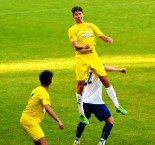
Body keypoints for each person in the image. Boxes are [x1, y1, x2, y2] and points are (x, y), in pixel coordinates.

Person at [68, 6, 127, 125]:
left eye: (80, 14)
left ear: (83, 14)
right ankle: (81, 113)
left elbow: (101, 36)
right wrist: (83, 46)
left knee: (105, 79)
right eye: (76, 15)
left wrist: (107, 39)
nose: (79, 16)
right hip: (81, 59)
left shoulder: (91, 26)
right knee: (80, 86)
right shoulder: (72, 29)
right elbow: (75, 45)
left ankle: (118, 105)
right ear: (73, 17)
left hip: (93, 57)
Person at [73, 66, 127, 145]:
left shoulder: (84, 68)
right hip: (96, 103)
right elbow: (105, 67)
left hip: (84, 101)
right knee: (110, 121)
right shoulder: (97, 66)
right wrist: (119, 70)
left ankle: (76, 141)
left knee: (84, 120)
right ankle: (101, 142)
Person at [20, 70, 64, 145]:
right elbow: (47, 108)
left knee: (38, 143)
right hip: (30, 122)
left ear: (40, 80)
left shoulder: (36, 89)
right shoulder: (44, 93)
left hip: (26, 119)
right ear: (50, 82)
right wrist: (58, 120)